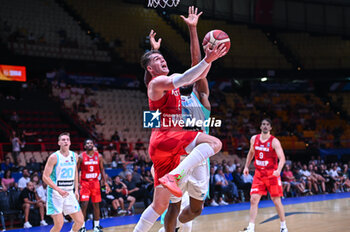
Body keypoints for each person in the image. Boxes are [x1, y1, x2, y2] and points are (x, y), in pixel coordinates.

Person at [133, 18, 226, 230]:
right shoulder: (170, 86)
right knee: (172, 207)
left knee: (191, 209)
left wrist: (196, 38)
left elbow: (196, 67)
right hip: (177, 148)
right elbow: (159, 78)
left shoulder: (200, 97)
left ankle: (180, 221)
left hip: (196, 155)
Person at [240, 119, 288, 232]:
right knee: (253, 199)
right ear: (260, 126)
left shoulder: (274, 141)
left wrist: (278, 170)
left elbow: (282, 158)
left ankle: (283, 226)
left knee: (276, 201)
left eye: (267, 125)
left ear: (270, 128)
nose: (265, 126)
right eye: (263, 124)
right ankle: (251, 227)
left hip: (272, 174)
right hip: (259, 174)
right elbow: (251, 152)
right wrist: (246, 166)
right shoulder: (254, 139)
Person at [42, 132, 84, 232]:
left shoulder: (75, 156)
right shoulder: (54, 157)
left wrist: (76, 190)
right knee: (59, 224)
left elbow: (75, 173)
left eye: (67, 140)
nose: (65, 141)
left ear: (70, 143)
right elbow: (45, 177)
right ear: (59, 143)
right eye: (63, 140)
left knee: (80, 221)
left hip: (69, 191)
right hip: (55, 193)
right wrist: (58, 190)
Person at [77, 140, 111, 232]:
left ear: (93, 145)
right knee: (84, 205)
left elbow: (102, 170)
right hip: (84, 183)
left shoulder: (99, 156)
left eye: (91, 143)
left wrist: (105, 182)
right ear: (84, 146)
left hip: (95, 183)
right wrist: (77, 184)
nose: (89, 144)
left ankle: (96, 226)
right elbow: (76, 171)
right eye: (87, 143)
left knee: (96, 204)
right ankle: (82, 226)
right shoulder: (80, 157)